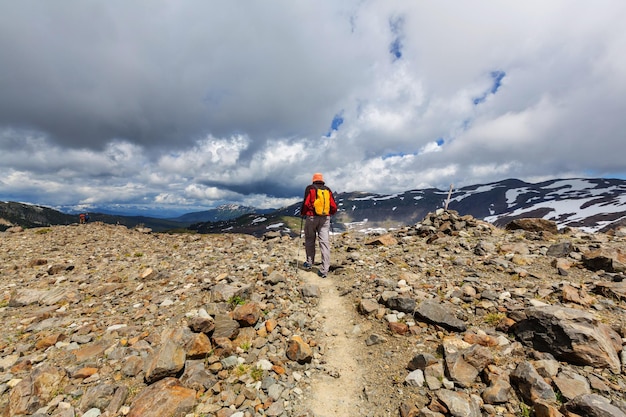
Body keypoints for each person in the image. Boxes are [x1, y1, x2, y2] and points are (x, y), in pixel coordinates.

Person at [300, 173, 338, 278]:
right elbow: (333, 206)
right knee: (324, 243)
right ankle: (324, 269)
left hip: (312, 217)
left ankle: (309, 263)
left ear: (313, 180)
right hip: (325, 218)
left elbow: (306, 203)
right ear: (322, 180)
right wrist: (331, 213)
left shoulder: (310, 188)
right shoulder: (327, 190)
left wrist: (303, 213)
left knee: (310, 239)